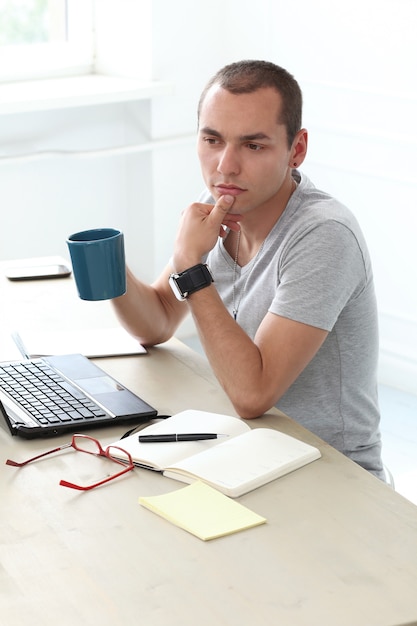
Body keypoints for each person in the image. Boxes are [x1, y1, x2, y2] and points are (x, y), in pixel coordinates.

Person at [112, 59, 384, 480]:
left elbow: (252, 394)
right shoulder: (222, 200)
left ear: (297, 149)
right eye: (212, 140)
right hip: (249, 454)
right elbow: (160, 319)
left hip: (334, 474)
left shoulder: (324, 234)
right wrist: (108, 263)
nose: (225, 166)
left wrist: (190, 266)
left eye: (253, 145)